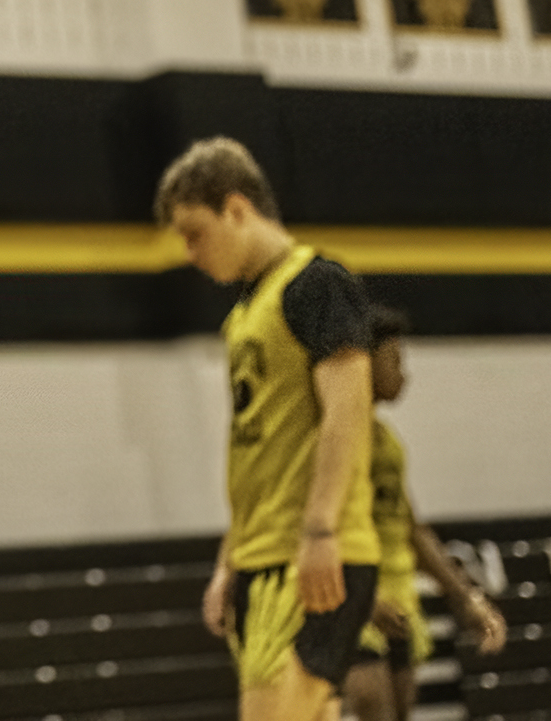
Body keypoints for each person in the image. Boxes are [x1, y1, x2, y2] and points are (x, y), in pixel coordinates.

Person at [157, 137, 380, 721]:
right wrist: (229, 561)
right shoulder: (243, 316)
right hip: (263, 558)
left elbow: (348, 413)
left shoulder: (316, 285)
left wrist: (321, 531)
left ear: (236, 209)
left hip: (309, 556)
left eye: (194, 232)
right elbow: (255, 454)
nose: (188, 252)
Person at [341, 305, 508, 721]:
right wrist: (360, 596)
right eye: (395, 360)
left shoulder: (387, 443)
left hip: (398, 601)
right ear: (363, 361)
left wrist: (466, 597)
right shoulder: (332, 439)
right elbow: (310, 529)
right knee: (368, 703)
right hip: (354, 603)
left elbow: (412, 529)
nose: (404, 373)